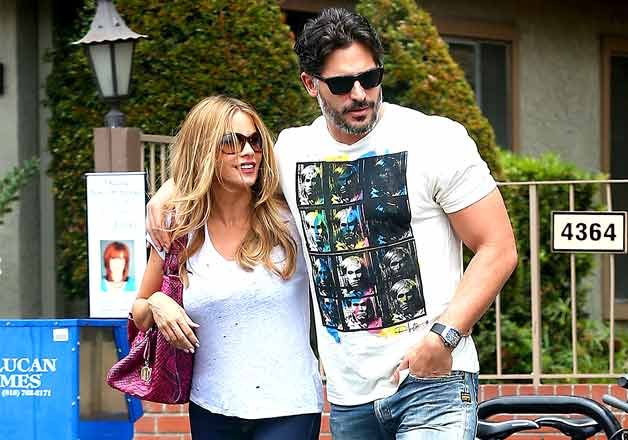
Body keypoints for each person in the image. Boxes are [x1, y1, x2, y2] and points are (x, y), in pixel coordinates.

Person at [146, 8, 517, 440]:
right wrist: (171, 189)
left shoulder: (435, 140)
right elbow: (226, 170)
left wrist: (444, 338)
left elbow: (498, 247)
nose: (359, 94)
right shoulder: (293, 151)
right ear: (310, 84)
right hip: (349, 397)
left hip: (432, 382)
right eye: (341, 84)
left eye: (370, 78)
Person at [133, 96, 322, 440]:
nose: (248, 152)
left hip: (289, 406)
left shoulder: (291, 219)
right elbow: (139, 311)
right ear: (205, 151)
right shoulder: (179, 229)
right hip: (212, 407)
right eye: (232, 142)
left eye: (255, 141)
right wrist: (159, 303)